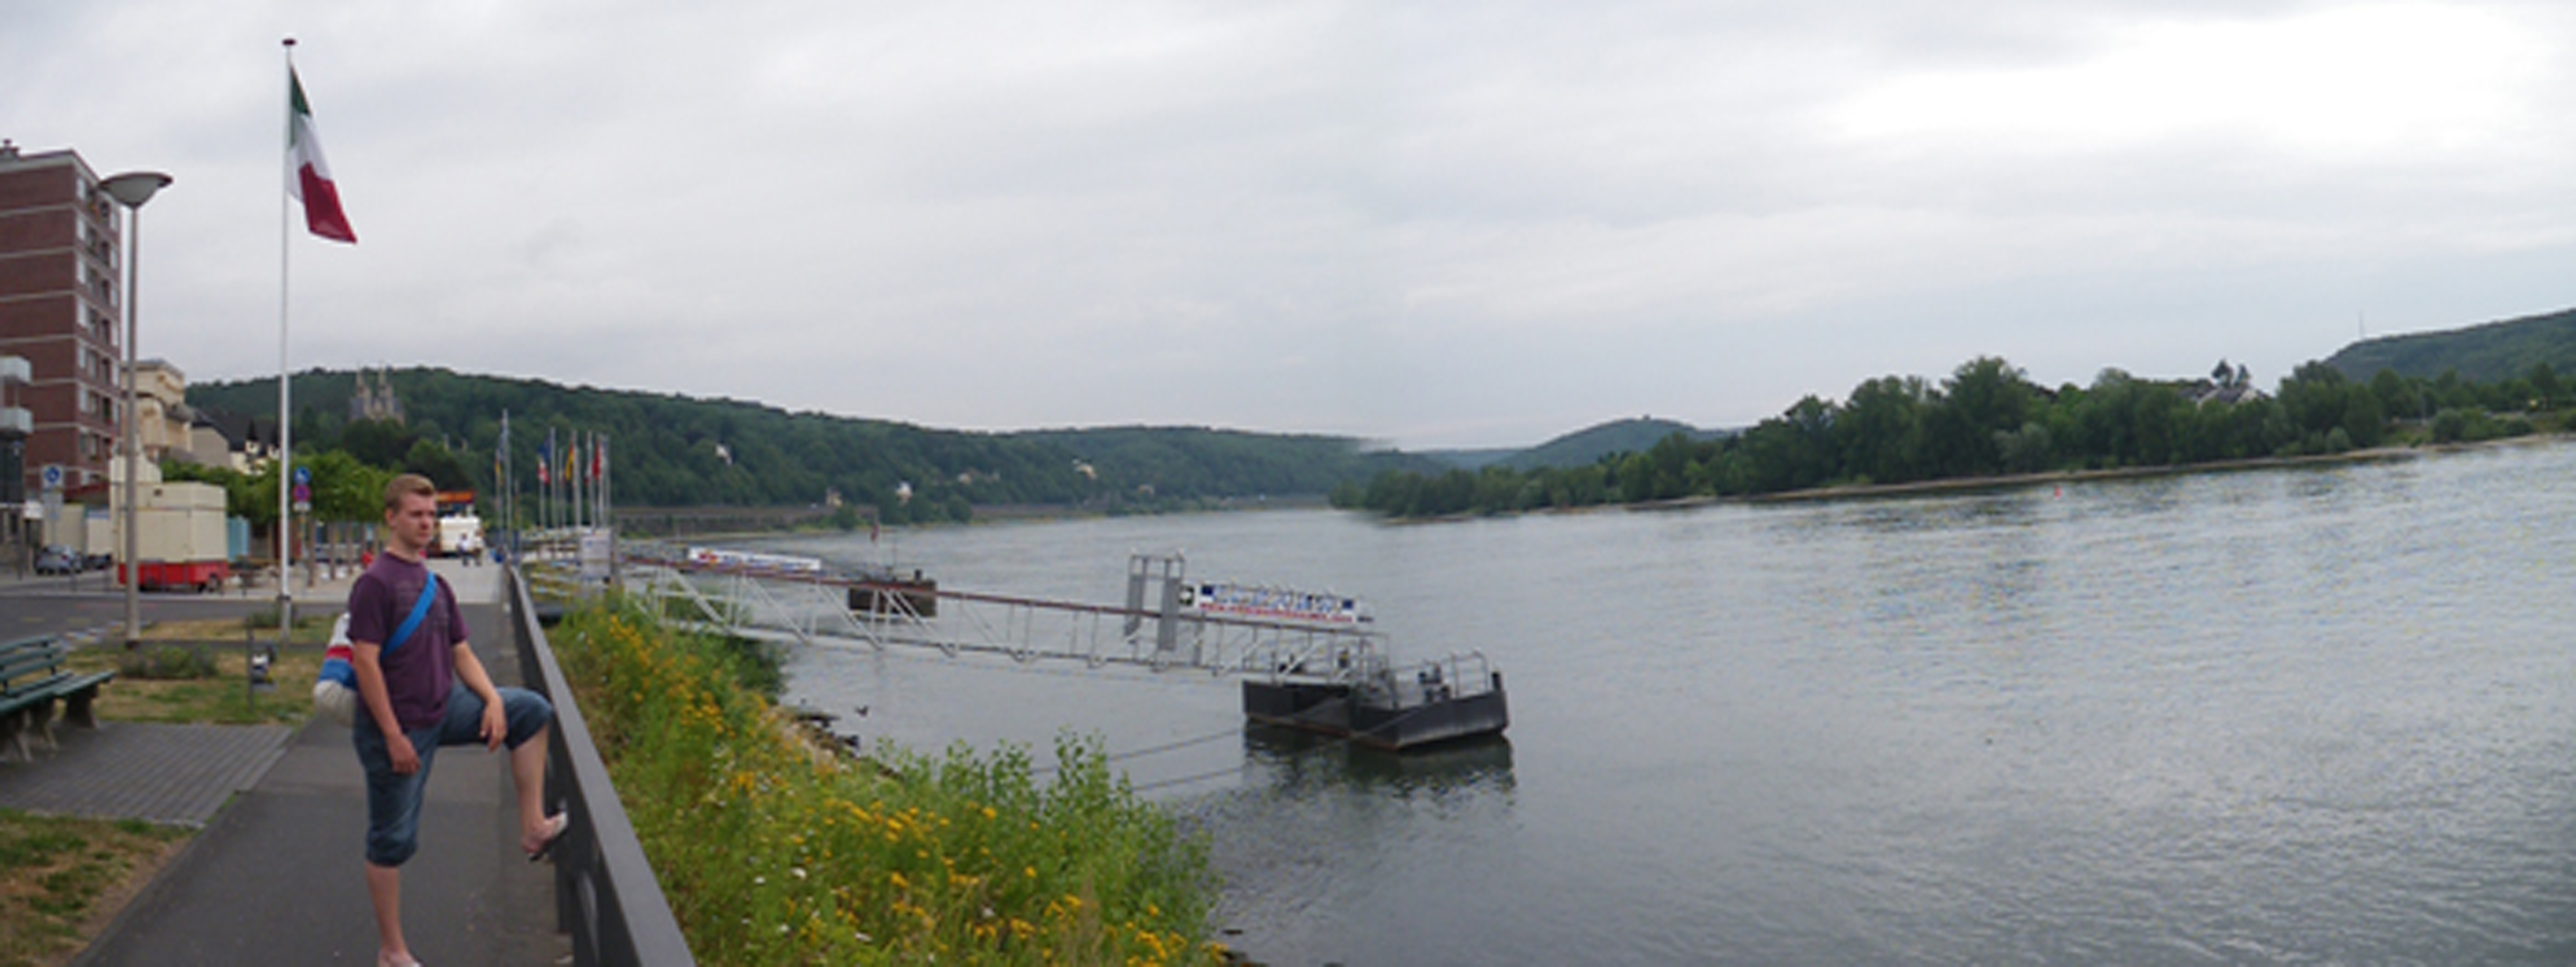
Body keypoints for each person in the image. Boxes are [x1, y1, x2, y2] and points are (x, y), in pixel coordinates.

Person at [348, 473, 565, 967]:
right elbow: (365, 662)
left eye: (431, 515)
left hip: (442, 709)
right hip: (396, 727)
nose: (426, 523)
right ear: (392, 518)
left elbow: (461, 653)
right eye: (415, 515)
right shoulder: (375, 583)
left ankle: (533, 826)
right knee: (392, 840)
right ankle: (392, 950)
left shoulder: (434, 583)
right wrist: (392, 736)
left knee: (530, 711)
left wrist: (490, 699)